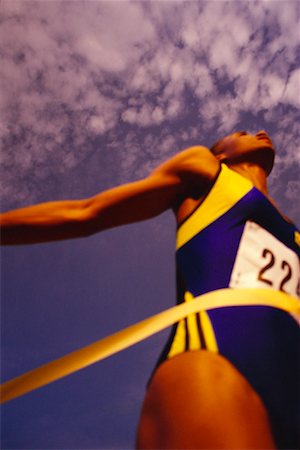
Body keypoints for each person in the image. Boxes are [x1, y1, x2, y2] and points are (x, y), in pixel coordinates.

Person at [1, 130, 299, 449]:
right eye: (242, 133)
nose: (260, 133)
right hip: (214, 364)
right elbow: (86, 213)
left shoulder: (293, 232)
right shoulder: (206, 169)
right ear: (221, 154)